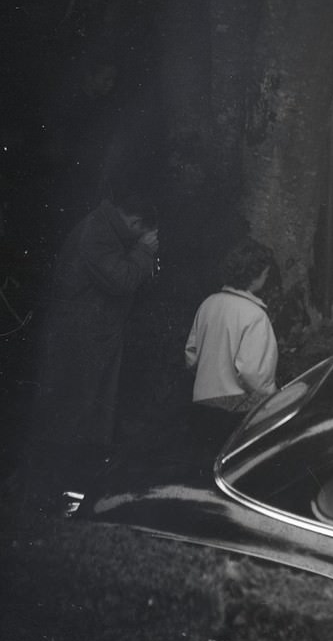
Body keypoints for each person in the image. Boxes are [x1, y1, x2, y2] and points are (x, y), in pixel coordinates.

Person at [34, 187, 159, 461]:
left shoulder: (107, 228)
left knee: (85, 401)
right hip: (80, 333)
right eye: (140, 231)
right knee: (75, 401)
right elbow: (120, 280)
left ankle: (72, 460)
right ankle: (62, 465)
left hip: (92, 330)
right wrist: (144, 251)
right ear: (135, 223)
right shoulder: (98, 233)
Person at [185, 238, 279, 414]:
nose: (266, 279)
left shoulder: (208, 304)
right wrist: (273, 399)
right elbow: (255, 374)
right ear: (254, 276)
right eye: (266, 274)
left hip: (201, 402)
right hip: (235, 408)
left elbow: (191, 356)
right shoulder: (255, 315)